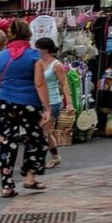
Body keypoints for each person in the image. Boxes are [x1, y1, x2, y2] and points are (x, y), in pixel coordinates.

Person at [0, 18, 51, 198]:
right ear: (28, 35)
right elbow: (39, 84)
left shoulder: (1, 56)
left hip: (5, 103)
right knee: (36, 138)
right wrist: (47, 108)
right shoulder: (34, 56)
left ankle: (7, 185)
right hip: (29, 103)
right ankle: (30, 177)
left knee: (6, 142)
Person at [35, 36, 73, 169]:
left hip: (53, 102)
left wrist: (69, 103)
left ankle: (38, 160)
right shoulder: (38, 62)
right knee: (46, 131)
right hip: (40, 100)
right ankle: (55, 156)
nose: (37, 50)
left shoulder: (56, 65)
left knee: (44, 132)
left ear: (45, 49)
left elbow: (64, 84)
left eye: (38, 48)